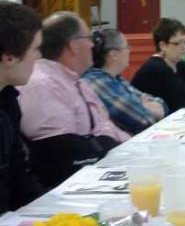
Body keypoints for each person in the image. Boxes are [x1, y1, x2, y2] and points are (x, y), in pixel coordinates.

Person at [19, 12, 130, 189]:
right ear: (73, 46)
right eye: (89, 38)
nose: (93, 44)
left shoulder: (76, 80)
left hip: (101, 169)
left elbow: (103, 127)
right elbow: (65, 153)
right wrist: (105, 143)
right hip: (75, 185)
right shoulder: (42, 85)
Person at [0, 1, 44, 213]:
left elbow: (18, 175)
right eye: (35, 49)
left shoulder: (8, 99)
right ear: (9, 57)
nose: (38, 57)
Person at [83, 28, 167, 135]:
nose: (129, 50)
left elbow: (163, 105)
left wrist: (138, 105)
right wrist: (142, 104)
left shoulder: (115, 78)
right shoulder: (96, 81)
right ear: (113, 54)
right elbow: (143, 120)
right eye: (126, 47)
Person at [132, 18, 185, 113]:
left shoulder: (178, 63)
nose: (184, 47)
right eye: (178, 43)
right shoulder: (157, 67)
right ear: (163, 46)